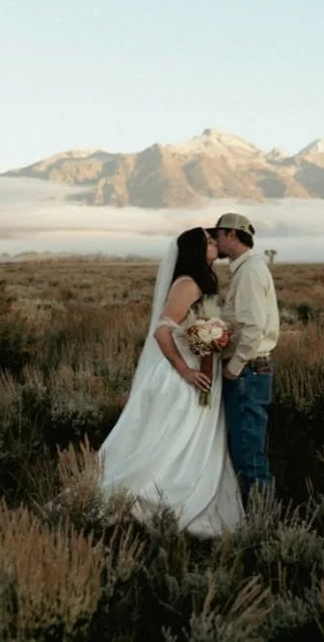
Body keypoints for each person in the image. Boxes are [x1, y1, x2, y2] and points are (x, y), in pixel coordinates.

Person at [97, 227, 244, 537]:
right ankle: (158, 497)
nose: (213, 243)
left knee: (192, 437)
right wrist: (184, 369)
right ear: (194, 249)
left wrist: (215, 337)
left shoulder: (202, 281)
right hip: (185, 376)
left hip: (202, 371)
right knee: (172, 438)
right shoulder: (188, 285)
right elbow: (162, 330)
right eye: (207, 241)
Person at [208, 212, 280, 504]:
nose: (216, 240)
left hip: (248, 373)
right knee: (246, 449)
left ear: (232, 235)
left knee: (248, 453)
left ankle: (263, 519)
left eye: (219, 235)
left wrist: (233, 369)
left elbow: (253, 329)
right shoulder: (247, 268)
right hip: (250, 371)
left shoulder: (249, 271)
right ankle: (259, 515)